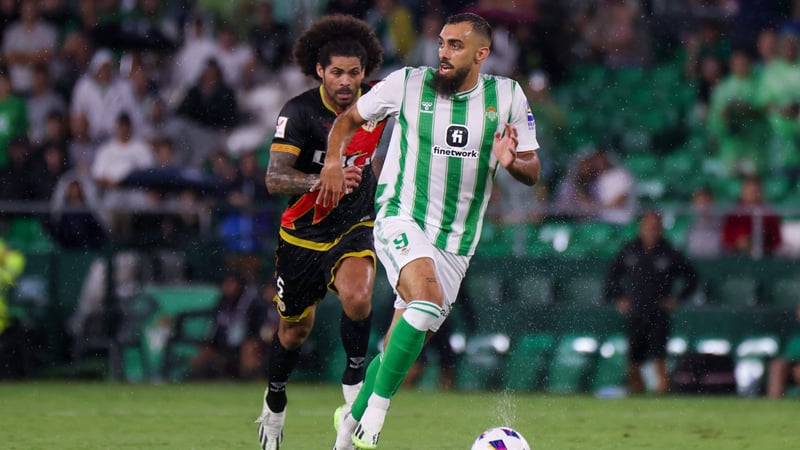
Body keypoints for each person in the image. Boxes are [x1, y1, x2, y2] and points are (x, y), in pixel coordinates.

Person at [319, 13, 541, 449]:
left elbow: (532, 169)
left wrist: (511, 161)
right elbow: (347, 120)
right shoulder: (408, 83)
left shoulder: (507, 96)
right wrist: (331, 162)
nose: (443, 52)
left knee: (401, 341)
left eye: (456, 45)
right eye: (442, 43)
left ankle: (348, 428)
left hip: (456, 245)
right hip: (401, 215)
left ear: (481, 53)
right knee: (426, 298)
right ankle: (376, 415)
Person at [253, 15, 386, 450]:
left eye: (354, 72)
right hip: (301, 237)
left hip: (354, 224)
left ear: (364, 72)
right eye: (336, 72)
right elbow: (274, 178)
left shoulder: (378, 101)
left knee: (358, 295)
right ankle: (274, 404)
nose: (346, 82)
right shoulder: (299, 112)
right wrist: (320, 179)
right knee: (294, 330)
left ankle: (353, 394)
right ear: (319, 71)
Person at [603, 210, 699, 395]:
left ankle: (661, 393)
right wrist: (619, 298)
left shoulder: (670, 252)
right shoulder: (629, 249)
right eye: (648, 226)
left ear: (661, 229)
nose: (652, 230)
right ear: (641, 228)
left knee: (659, 355)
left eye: (655, 227)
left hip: (658, 311)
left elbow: (692, 278)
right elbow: (611, 276)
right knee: (634, 357)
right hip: (635, 311)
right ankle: (636, 394)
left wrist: (678, 299)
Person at [189, 272, 271, 380]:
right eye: (226, 283)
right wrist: (211, 344)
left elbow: (257, 329)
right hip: (224, 344)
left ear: (240, 285)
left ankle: (250, 381)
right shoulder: (223, 302)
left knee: (249, 348)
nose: (227, 286)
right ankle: (195, 381)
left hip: (245, 342)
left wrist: (247, 340)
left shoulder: (253, 303)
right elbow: (215, 328)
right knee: (203, 354)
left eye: (231, 283)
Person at [721, 175, 782, 257]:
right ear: (743, 191)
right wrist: (739, 243)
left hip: (765, 257)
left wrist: (762, 243)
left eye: (755, 191)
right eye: (750, 191)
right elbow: (726, 240)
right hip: (736, 257)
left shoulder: (769, 214)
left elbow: (776, 242)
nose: (752, 194)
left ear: (761, 192)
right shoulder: (733, 213)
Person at [767, 302, 800, 399]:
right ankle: (774, 402)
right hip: (793, 366)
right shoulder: (794, 338)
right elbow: (787, 358)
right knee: (777, 366)